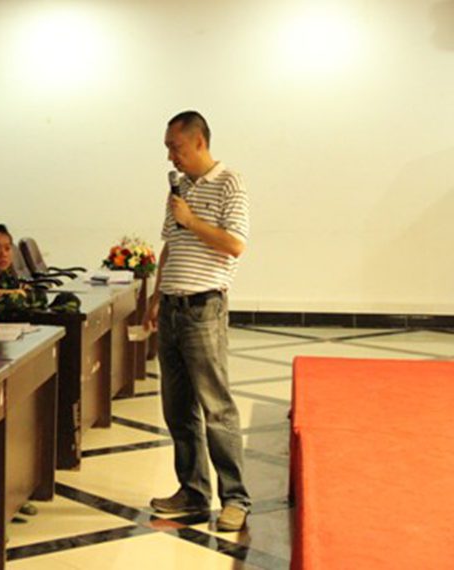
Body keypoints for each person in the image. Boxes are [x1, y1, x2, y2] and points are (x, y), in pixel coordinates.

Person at [144, 111, 251, 532]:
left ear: (200, 142)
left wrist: (192, 220)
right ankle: (192, 491)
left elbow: (235, 244)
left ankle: (235, 498)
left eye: (176, 147)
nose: (171, 157)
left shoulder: (230, 182)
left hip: (204, 309)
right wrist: (156, 295)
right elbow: (170, 245)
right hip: (172, 307)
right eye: (168, 149)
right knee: (177, 408)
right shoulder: (179, 189)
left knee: (215, 407)